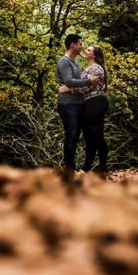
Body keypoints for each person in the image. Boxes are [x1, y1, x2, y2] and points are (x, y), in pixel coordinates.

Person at [60, 45, 108, 173]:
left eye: (88, 50)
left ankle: (103, 165)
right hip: (88, 103)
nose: (85, 51)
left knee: (96, 134)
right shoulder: (87, 68)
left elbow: (87, 87)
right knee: (88, 136)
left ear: (94, 55)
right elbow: (86, 83)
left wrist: (69, 89)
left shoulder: (96, 68)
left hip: (96, 101)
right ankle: (86, 168)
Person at [56, 34, 97, 172]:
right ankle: (69, 168)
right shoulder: (64, 62)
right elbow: (69, 81)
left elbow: (76, 85)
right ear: (72, 45)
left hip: (79, 104)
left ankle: (79, 168)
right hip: (67, 104)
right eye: (80, 44)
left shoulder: (76, 64)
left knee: (78, 136)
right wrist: (89, 80)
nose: (82, 47)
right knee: (72, 134)